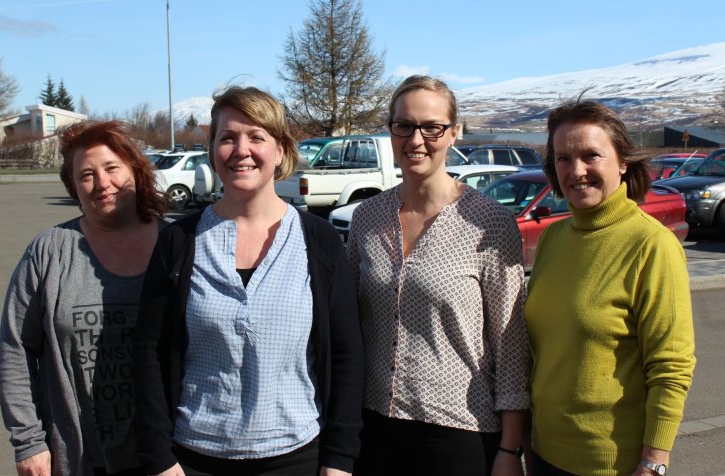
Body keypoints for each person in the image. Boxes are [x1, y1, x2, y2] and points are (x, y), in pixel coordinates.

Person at [132, 85, 364, 476]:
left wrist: (339, 459)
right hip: (193, 458)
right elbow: (149, 353)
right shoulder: (179, 242)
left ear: (280, 150)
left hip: (297, 455)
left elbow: (346, 354)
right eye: (228, 138)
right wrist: (159, 458)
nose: (241, 150)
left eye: (257, 137)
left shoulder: (318, 240)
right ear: (213, 150)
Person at [346, 75, 530, 475]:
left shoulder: (490, 223)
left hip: (458, 432)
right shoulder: (366, 218)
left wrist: (510, 449)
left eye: (431, 127)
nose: (416, 140)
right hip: (374, 428)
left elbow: (510, 347)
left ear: (454, 133)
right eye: (404, 126)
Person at [525, 100, 696, 475]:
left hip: (611, 463)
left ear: (622, 162)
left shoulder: (651, 244)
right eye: (563, 158)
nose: (577, 170)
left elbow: (671, 366)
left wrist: (654, 461)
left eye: (591, 156)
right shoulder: (554, 238)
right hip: (542, 454)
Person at [0, 120, 168, 475]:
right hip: (77, 458)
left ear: (134, 170)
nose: (102, 183)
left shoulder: (176, 246)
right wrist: (28, 441)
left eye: (111, 168)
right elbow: (15, 348)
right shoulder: (49, 251)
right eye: (86, 175)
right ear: (73, 187)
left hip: (168, 457)